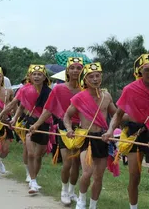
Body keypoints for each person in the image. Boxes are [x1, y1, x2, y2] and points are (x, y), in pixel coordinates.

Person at [29, 57, 83, 205]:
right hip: (64, 127)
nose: (75, 71)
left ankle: (72, 192)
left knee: (77, 163)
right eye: (72, 68)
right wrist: (37, 124)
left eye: (78, 68)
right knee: (67, 162)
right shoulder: (58, 88)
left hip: (82, 129)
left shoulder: (86, 90)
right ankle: (64, 191)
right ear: (67, 70)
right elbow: (48, 109)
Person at [63, 62, 117, 209]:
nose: (94, 79)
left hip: (103, 138)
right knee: (87, 173)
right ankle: (81, 200)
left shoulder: (107, 96)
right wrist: (68, 129)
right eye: (91, 76)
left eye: (97, 76)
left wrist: (112, 129)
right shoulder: (79, 97)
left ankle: (93, 205)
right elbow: (66, 116)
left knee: (99, 176)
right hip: (86, 138)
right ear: (85, 80)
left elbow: (116, 115)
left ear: (101, 77)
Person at [103, 54, 149, 209]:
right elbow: (118, 114)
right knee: (134, 175)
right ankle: (133, 207)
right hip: (135, 133)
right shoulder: (130, 89)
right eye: (147, 69)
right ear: (140, 70)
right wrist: (110, 131)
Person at [0, 65, 52, 194]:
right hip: (30, 122)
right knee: (31, 153)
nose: (37, 76)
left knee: (39, 155)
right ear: (30, 76)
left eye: (40, 74)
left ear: (44, 77)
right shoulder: (25, 90)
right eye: (34, 74)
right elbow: (16, 104)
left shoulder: (49, 92)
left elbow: (49, 110)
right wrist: (4, 115)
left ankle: (34, 178)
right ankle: (33, 182)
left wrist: (38, 124)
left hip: (44, 124)